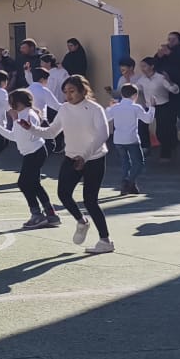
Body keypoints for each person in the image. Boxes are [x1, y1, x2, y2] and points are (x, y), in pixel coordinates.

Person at [53, 76, 114, 253]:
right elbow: (50, 132)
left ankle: (105, 241)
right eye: (65, 92)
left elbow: (103, 134)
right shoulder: (64, 108)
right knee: (63, 193)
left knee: (90, 200)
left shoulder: (95, 109)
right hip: (71, 158)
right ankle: (82, 222)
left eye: (72, 91)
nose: (68, 95)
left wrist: (85, 156)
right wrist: (31, 128)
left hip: (94, 159)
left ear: (83, 91)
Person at [0, 89, 60, 229]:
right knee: (34, 183)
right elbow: (14, 137)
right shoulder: (22, 115)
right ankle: (51, 214)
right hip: (33, 153)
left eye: (11, 102)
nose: (10, 105)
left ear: (19, 102)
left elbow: (29, 133)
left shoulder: (27, 115)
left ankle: (37, 215)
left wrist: (18, 121)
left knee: (24, 183)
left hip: (35, 153)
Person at [107, 83, 150, 197]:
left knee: (125, 163)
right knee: (139, 163)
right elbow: (148, 119)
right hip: (132, 139)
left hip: (118, 139)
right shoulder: (136, 107)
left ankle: (128, 184)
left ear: (122, 94)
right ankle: (129, 182)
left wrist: (109, 107)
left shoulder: (116, 107)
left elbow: (106, 118)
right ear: (135, 95)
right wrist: (152, 108)